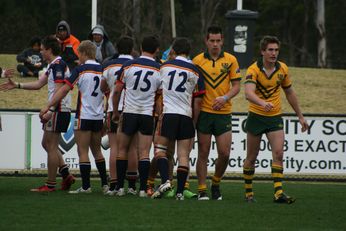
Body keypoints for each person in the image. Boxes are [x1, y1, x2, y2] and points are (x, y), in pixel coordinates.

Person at [0, 35, 75, 192]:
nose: (40, 52)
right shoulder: (53, 65)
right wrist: (18, 85)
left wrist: (51, 109)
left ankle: (50, 185)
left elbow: (61, 89)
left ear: (49, 50)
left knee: (51, 145)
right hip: (57, 109)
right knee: (46, 144)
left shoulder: (58, 65)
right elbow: (39, 84)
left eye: (42, 50)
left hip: (58, 110)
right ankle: (66, 174)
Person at [243, 35, 309, 204]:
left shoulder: (283, 69)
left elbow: (289, 93)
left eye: (276, 50)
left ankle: (278, 193)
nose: (274, 53)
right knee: (251, 156)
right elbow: (248, 93)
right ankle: (249, 192)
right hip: (256, 116)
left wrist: (300, 116)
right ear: (262, 52)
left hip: (274, 117)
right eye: (270, 50)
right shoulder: (253, 70)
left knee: (279, 153)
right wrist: (262, 103)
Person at [40, 40, 108, 194]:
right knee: (97, 150)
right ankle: (105, 184)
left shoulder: (80, 70)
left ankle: (86, 186)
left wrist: (49, 105)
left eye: (79, 54)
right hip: (98, 116)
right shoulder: (102, 69)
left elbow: (64, 89)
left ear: (83, 53)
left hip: (84, 115)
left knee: (82, 151)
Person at [152, 37, 205, 200]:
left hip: (168, 114)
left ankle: (166, 181)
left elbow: (157, 91)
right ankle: (180, 193)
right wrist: (193, 122)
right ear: (189, 51)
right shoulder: (196, 70)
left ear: (173, 50)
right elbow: (198, 102)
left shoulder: (164, 66)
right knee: (183, 156)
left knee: (160, 150)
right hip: (186, 115)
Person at [192, 25, 241, 200]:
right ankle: (202, 189)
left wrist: (225, 98)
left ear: (222, 41)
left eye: (218, 41)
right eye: (211, 41)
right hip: (204, 112)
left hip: (224, 113)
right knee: (203, 152)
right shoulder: (197, 61)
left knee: (225, 153)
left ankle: (216, 182)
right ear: (206, 41)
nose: (215, 44)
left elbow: (236, 86)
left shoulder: (231, 60)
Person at [112, 35, 161, 198]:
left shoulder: (128, 65)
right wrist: (159, 116)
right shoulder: (158, 69)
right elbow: (160, 97)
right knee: (144, 153)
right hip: (147, 114)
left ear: (140, 48)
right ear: (157, 50)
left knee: (122, 150)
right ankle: (142, 189)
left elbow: (117, 90)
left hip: (129, 112)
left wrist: (116, 112)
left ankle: (119, 188)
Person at [100, 36, 134, 195]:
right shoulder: (136, 64)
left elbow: (102, 87)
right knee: (132, 147)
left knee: (115, 147)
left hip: (113, 109)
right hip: (131, 108)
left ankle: (114, 185)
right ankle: (133, 186)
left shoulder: (108, 65)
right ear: (132, 49)